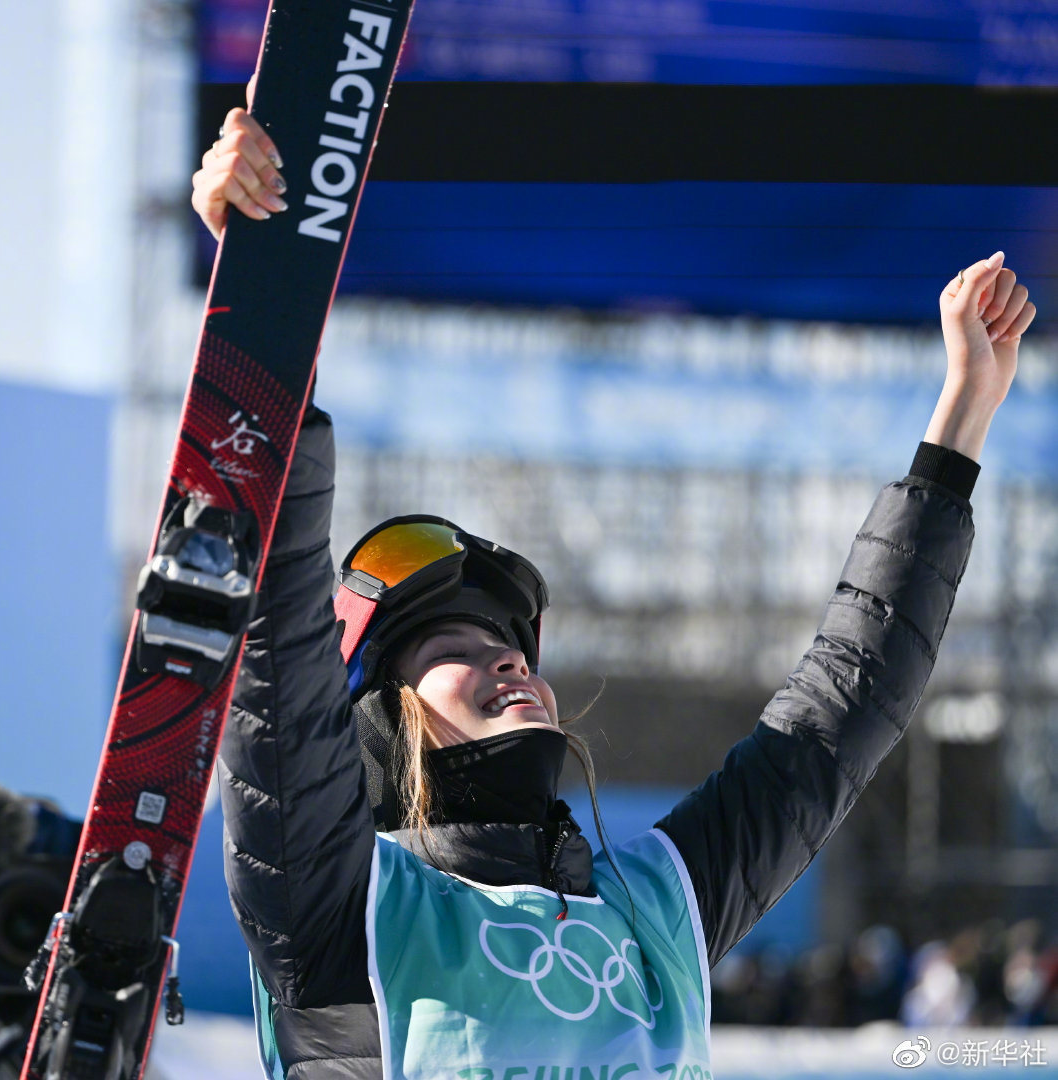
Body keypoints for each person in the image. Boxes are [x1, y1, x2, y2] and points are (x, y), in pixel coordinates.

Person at [192, 108, 1037, 1079]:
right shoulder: (346, 906)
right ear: (382, 722)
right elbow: (285, 658)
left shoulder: (658, 908)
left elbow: (841, 711)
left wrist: (964, 415)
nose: (508, 657)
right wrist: (263, 305)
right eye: (451, 650)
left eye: (505, 643)